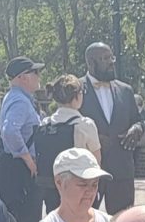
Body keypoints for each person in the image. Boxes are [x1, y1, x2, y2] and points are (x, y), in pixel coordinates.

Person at [81, 42, 145, 212]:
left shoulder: (125, 90)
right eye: (105, 58)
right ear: (91, 63)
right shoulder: (77, 90)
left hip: (121, 167)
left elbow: (138, 120)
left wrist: (136, 129)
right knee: (83, 221)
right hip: (88, 170)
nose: (111, 62)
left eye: (111, 57)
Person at [0, 56, 46, 222]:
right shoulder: (20, 101)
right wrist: (28, 159)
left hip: (14, 168)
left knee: (22, 221)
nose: (38, 77)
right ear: (23, 77)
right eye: (35, 73)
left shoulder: (16, 97)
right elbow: (9, 131)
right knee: (27, 221)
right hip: (21, 170)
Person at [37, 74, 101, 212]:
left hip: (51, 185)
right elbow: (96, 160)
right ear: (77, 96)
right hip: (79, 186)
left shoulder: (45, 123)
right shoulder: (85, 124)